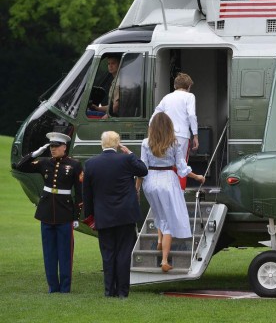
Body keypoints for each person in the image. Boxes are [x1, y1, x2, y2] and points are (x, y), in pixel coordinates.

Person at [13, 132, 83, 293]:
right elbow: (20, 166)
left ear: (64, 147)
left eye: (56, 146)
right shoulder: (44, 163)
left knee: (65, 252)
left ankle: (65, 287)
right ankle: (53, 286)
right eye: (51, 146)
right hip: (46, 212)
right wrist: (34, 154)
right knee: (49, 252)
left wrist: (76, 216)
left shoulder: (74, 165)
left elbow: (80, 192)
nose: (53, 149)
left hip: (65, 213)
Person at [136, 112, 205, 272]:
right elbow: (182, 168)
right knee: (168, 220)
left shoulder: (146, 143)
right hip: (168, 180)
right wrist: (197, 177)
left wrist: (137, 188)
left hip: (150, 181)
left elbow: (142, 167)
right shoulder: (173, 143)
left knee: (159, 212)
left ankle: (160, 240)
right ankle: (165, 260)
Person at [83, 131, 148, 298]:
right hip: (126, 215)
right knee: (124, 254)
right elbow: (143, 170)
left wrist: (90, 216)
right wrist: (130, 153)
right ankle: (122, 291)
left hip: (104, 215)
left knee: (108, 254)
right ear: (118, 144)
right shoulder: (126, 160)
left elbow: (87, 194)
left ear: (101, 143)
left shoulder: (91, 163)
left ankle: (109, 291)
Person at [150, 72, 199, 190]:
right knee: (181, 165)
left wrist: (152, 132)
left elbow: (154, 117)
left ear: (175, 86)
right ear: (188, 86)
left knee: (169, 164)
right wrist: (195, 135)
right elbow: (192, 115)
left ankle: (170, 191)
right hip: (182, 135)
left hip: (167, 136)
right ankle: (180, 194)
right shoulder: (189, 96)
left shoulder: (167, 97)